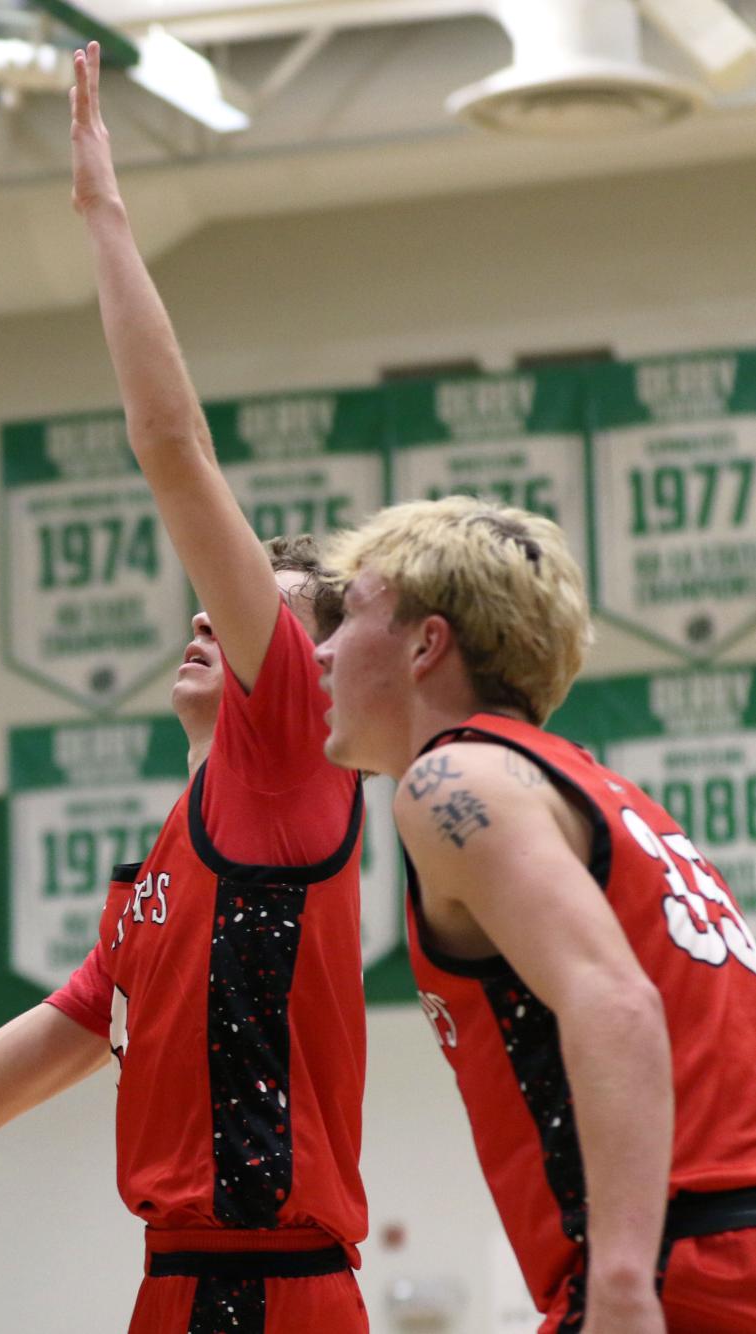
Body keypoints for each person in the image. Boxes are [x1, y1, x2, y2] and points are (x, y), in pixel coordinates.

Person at [0, 41, 369, 1333]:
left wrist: (104, 214)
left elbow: (170, 449)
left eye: (262, 609)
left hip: (277, 1293)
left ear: (310, 676)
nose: (212, 611)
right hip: (171, 1288)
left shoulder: (290, 762)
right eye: (214, 595)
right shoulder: (158, 887)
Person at [315, 494, 756, 1333]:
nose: (324, 651)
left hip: (681, 1264)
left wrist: (624, 1291)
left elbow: (616, 1002)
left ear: (424, 642)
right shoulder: (599, 791)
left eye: (352, 617)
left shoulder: (453, 782)